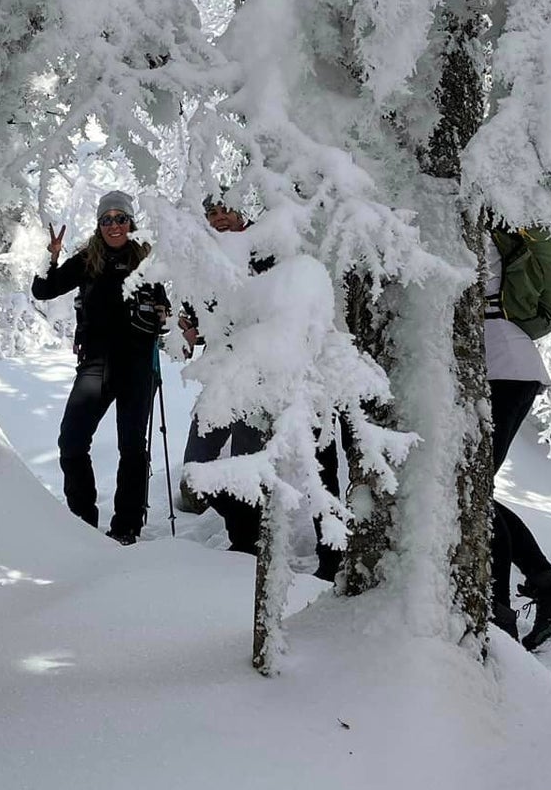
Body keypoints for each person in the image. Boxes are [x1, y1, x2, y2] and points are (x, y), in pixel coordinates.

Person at [179, 195, 343, 581]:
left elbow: (290, 305)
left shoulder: (270, 249)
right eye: (212, 214)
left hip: (292, 372)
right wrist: (192, 329)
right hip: (236, 381)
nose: (219, 219)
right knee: (198, 466)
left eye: (224, 209)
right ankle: (246, 541)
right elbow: (211, 321)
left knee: (317, 463)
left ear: (241, 211)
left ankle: (329, 555)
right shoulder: (211, 263)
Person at [32, 190, 169, 545]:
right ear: (98, 225)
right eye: (106, 219)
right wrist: (50, 257)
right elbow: (44, 290)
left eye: (120, 218)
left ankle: (126, 527)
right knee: (72, 441)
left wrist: (159, 315)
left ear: (130, 222)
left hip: (137, 364)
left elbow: (163, 309)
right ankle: (82, 520)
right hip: (95, 363)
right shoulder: (87, 260)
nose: (114, 225)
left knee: (132, 447)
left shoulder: (146, 261)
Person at [485, 226, 551, 649]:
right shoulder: (492, 225)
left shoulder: (467, 226)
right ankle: (546, 585)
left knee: (468, 497)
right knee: (470, 495)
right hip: (507, 366)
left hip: (499, 369)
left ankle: (497, 618)